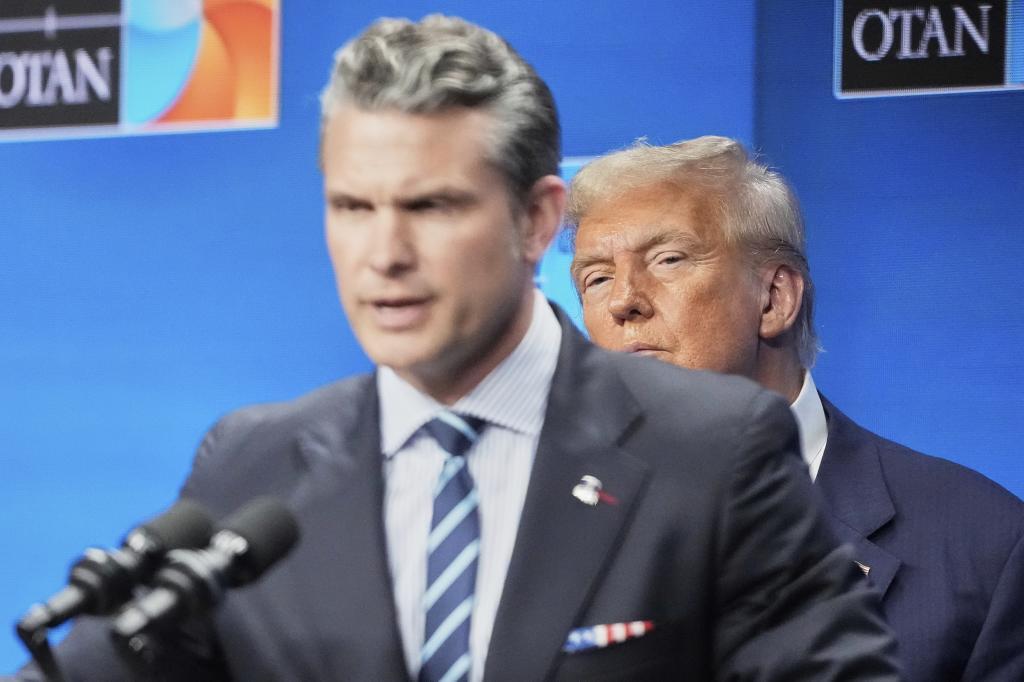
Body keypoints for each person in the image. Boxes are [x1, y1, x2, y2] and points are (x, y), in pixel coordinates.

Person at [13, 20, 898, 681]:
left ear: (537, 220)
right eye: (354, 208)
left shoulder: (711, 447)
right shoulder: (255, 459)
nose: (384, 254)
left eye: (432, 207)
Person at [568, 135, 1024, 682]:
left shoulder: (983, 544)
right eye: (596, 278)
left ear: (775, 298)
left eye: (668, 259)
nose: (622, 301)